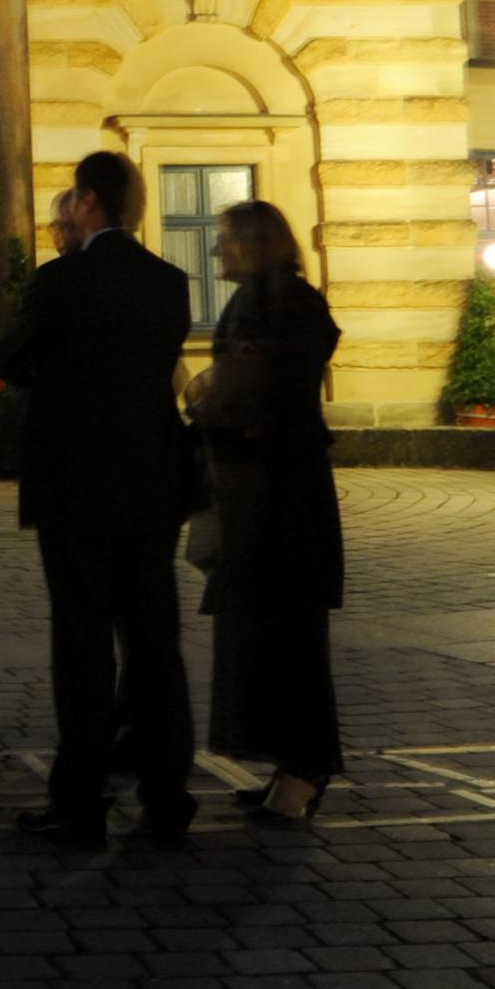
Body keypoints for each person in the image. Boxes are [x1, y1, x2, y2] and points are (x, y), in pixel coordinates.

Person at [0, 150, 197, 850]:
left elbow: (9, 358)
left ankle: (79, 803)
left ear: (87, 202)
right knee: (154, 644)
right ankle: (167, 796)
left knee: (81, 644)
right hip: (149, 484)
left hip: (75, 484)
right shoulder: (169, 283)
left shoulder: (61, 280)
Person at [193, 199, 346, 826]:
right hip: (262, 489)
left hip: (279, 494)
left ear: (257, 243)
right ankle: (291, 764)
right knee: (266, 630)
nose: (215, 250)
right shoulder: (271, 298)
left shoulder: (285, 302)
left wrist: (214, 389)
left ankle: (306, 769)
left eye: (226, 239)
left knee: (290, 633)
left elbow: (253, 385)